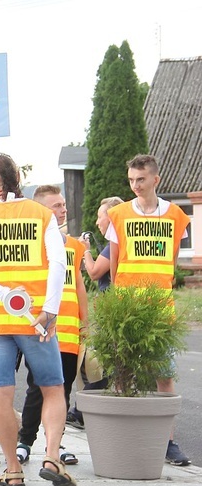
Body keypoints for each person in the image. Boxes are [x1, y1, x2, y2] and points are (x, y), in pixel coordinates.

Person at [0, 153, 75, 486]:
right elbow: (58, 264)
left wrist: (4, 294)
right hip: (36, 321)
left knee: (1, 397)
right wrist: (50, 309)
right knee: (53, 389)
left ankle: (12, 469)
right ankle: (52, 456)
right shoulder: (42, 216)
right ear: (18, 181)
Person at [106, 154, 191, 467]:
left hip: (160, 309)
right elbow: (115, 264)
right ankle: (122, 438)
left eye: (140, 179)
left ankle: (168, 443)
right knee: (123, 374)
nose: (135, 185)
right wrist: (118, 302)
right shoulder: (119, 214)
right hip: (128, 307)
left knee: (164, 376)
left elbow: (171, 262)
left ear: (155, 179)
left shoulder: (176, 216)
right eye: (131, 180)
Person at [15, 185, 87, 466]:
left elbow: (79, 286)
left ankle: (54, 444)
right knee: (38, 386)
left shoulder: (74, 245)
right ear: (41, 210)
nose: (63, 210)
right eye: (56, 206)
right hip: (43, 328)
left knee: (63, 389)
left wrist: (86, 324)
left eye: (63, 205)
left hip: (69, 330)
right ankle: (25, 440)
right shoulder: (33, 244)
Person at [65, 196, 122, 429]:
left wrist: (85, 252)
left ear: (112, 218)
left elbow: (96, 272)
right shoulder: (114, 244)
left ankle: (81, 409)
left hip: (111, 311)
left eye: (101, 217)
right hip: (112, 309)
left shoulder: (112, 245)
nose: (98, 222)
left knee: (103, 364)